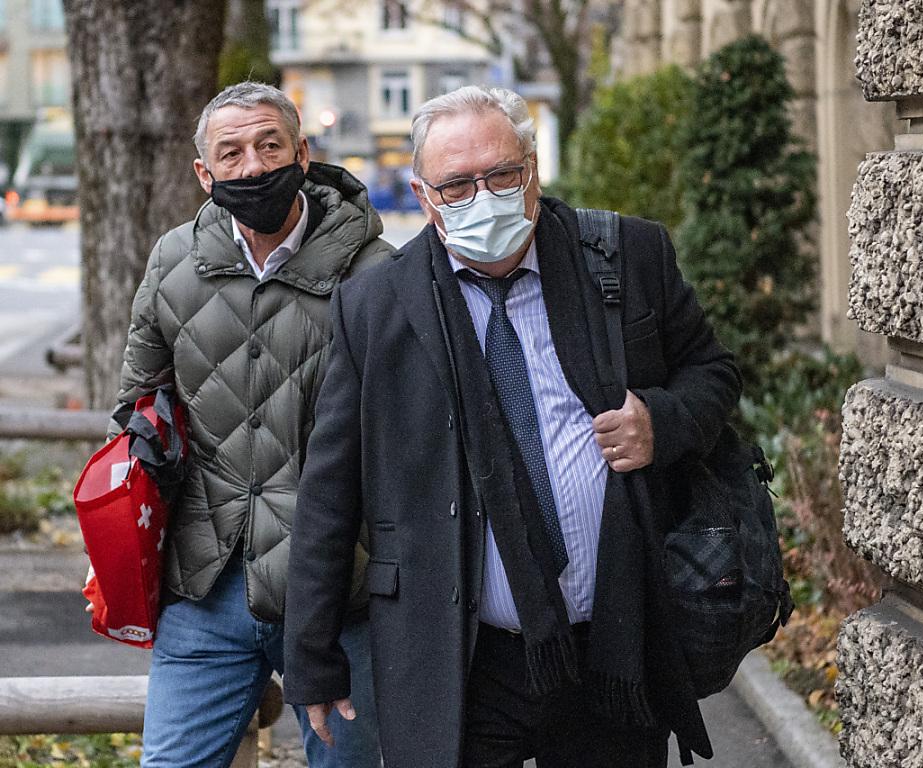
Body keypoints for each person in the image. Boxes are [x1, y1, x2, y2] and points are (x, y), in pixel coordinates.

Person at [283, 85, 741, 767]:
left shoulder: (626, 255)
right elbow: (330, 490)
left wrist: (661, 421)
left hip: (614, 648)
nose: (483, 197)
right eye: (457, 185)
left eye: (502, 174)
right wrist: (311, 656)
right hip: (459, 658)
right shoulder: (375, 305)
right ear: (424, 196)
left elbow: (713, 371)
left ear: (533, 170)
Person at [105, 81, 393, 768]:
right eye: (230, 153)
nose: (254, 166)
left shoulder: (376, 271)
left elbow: (407, 434)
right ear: (204, 174)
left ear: (302, 153)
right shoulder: (174, 259)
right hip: (207, 583)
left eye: (270, 145)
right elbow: (138, 401)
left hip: (341, 589)